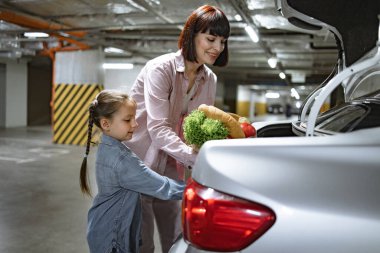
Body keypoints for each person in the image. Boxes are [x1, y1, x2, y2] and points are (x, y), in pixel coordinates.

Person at [125, 5, 230, 253]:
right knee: (143, 244)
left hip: (173, 168)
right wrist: (198, 158)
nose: (217, 48)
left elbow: (199, 128)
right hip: (139, 165)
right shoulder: (160, 69)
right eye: (211, 39)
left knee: (177, 240)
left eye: (223, 42)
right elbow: (159, 129)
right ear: (192, 35)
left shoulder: (209, 79)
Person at [79, 90, 185, 253]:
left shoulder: (108, 146)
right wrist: (195, 189)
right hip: (113, 237)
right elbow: (163, 187)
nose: (135, 124)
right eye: (128, 119)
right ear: (106, 124)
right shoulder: (122, 160)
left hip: (103, 226)